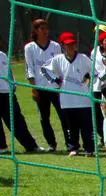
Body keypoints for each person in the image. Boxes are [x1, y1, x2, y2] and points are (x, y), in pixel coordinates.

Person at [41, 32, 94, 156]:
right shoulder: (57, 60)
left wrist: (87, 80)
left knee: (86, 128)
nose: (71, 47)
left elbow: (94, 72)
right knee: (71, 127)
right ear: (62, 46)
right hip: (67, 101)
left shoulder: (83, 58)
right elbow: (44, 69)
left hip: (84, 100)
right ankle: (73, 148)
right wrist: (56, 80)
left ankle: (89, 149)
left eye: (73, 44)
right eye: (68, 45)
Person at [23, 19, 64, 152]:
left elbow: (59, 67)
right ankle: (52, 144)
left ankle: (71, 143)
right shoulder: (29, 48)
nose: (45, 31)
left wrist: (59, 86)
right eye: (42, 28)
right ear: (35, 30)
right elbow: (30, 69)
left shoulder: (55, 46)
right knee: (44, 118)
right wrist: (34, 88)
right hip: (41, 88)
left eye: (46, 28)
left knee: (64, 116)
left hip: (55, 88)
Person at [0, 45, 42, 154]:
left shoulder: (3, 55)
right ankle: (2, 147)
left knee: (17, 120)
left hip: (7, 92)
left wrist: (13, 84)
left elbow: (8, 71)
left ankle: (31, 146)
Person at [89, 25, 106, 141]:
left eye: (101, 32)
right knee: (97, 115)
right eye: (96, 33)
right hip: (96, 86)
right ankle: (104, 137)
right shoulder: (94, 51)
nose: (98, 34)